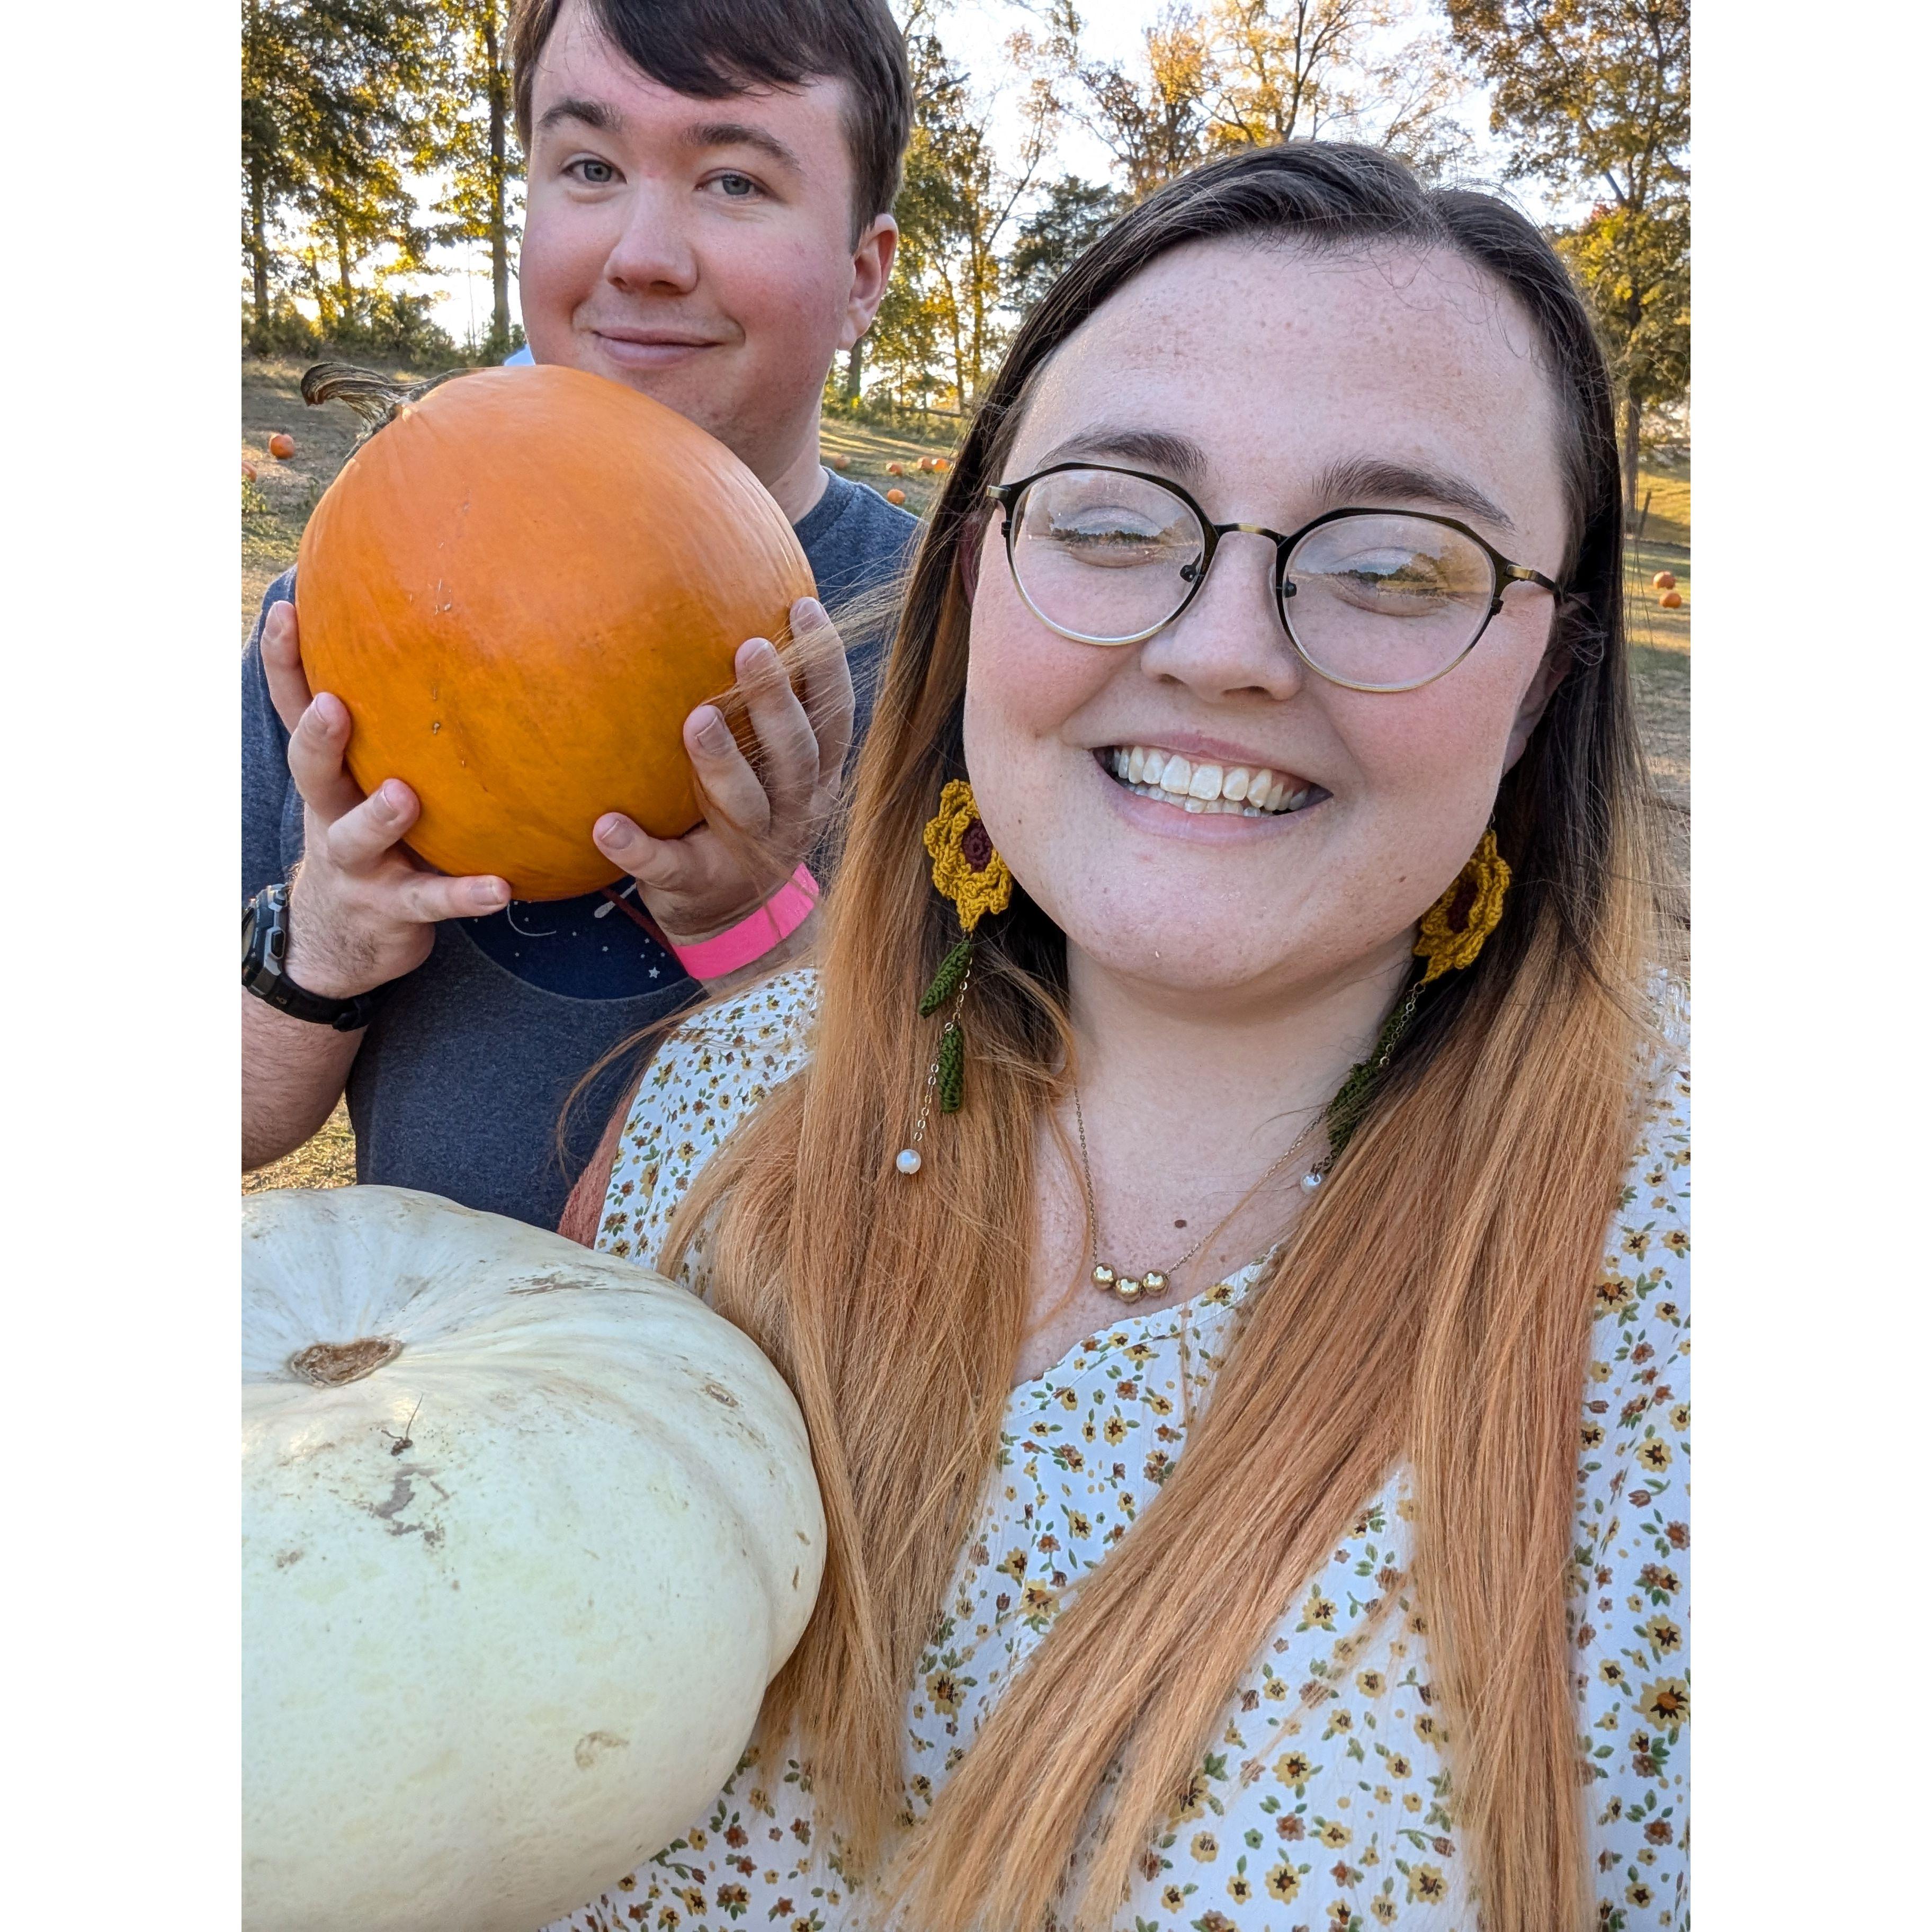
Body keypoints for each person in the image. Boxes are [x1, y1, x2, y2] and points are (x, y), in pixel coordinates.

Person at [550, 144, 1688, 1931]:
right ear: (978, 574)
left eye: (1395, 564)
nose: (1225, 648)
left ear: (1545, 673)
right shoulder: (717, 1124)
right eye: (1107, 520)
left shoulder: (1688, 1318)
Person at [241, 0, 916, 1230]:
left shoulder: (967, 644)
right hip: (427, 1353)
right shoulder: (336, 612)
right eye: (591, 167)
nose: (643, 254)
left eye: (734, 179)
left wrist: (754, 922)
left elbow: (1016, 1191)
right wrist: (323, 947)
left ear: (863, 275)